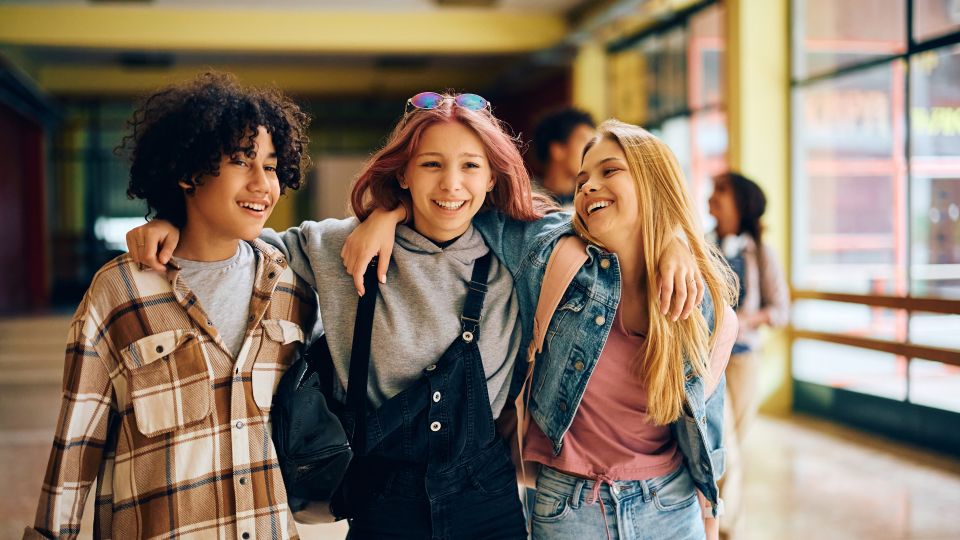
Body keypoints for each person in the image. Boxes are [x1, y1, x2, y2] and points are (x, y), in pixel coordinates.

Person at [129, 93, 702, 539]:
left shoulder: (521, 252)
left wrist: (676, 236)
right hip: (381, 507)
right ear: (403, 172)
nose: (452, 184)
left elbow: (611, 235)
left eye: (471, 166)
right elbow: (239, 244)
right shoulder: (337, 246)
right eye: (431, 164)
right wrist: (171, 224)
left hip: (488, 503)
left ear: (492, 177)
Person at [344, 120, 739, 540]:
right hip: (568, 506)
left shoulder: (698, 295)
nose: (588, 186)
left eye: (610, 171)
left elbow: (704, 417)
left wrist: (709, 517)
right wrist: (390, 213)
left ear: (655, 182)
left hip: (670, 503)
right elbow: (466, 203)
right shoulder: (549, 249)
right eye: (583, 177)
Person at [24, 72, 316, 540]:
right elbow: (76, 445)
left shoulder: (289, 287)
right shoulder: (120, 292)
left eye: (273, 165)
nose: (264, 184)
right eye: (242, 162)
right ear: (187, 171)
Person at [708, 171, 789, 540]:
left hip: (743, 361)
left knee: (733, 446)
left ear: (740, 204)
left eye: (720, 193)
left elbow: (780, 309)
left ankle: (723, 523)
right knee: (722, 447)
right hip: (708, 361)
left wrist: (744, 320)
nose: (712, 199)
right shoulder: (701, 245)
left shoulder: (760, 253)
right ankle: (725, 528)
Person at [531, 107, 596, 209]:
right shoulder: (527, 199)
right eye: (584, 142)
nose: (592, 150)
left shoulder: (591, 199)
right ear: (558, 150)